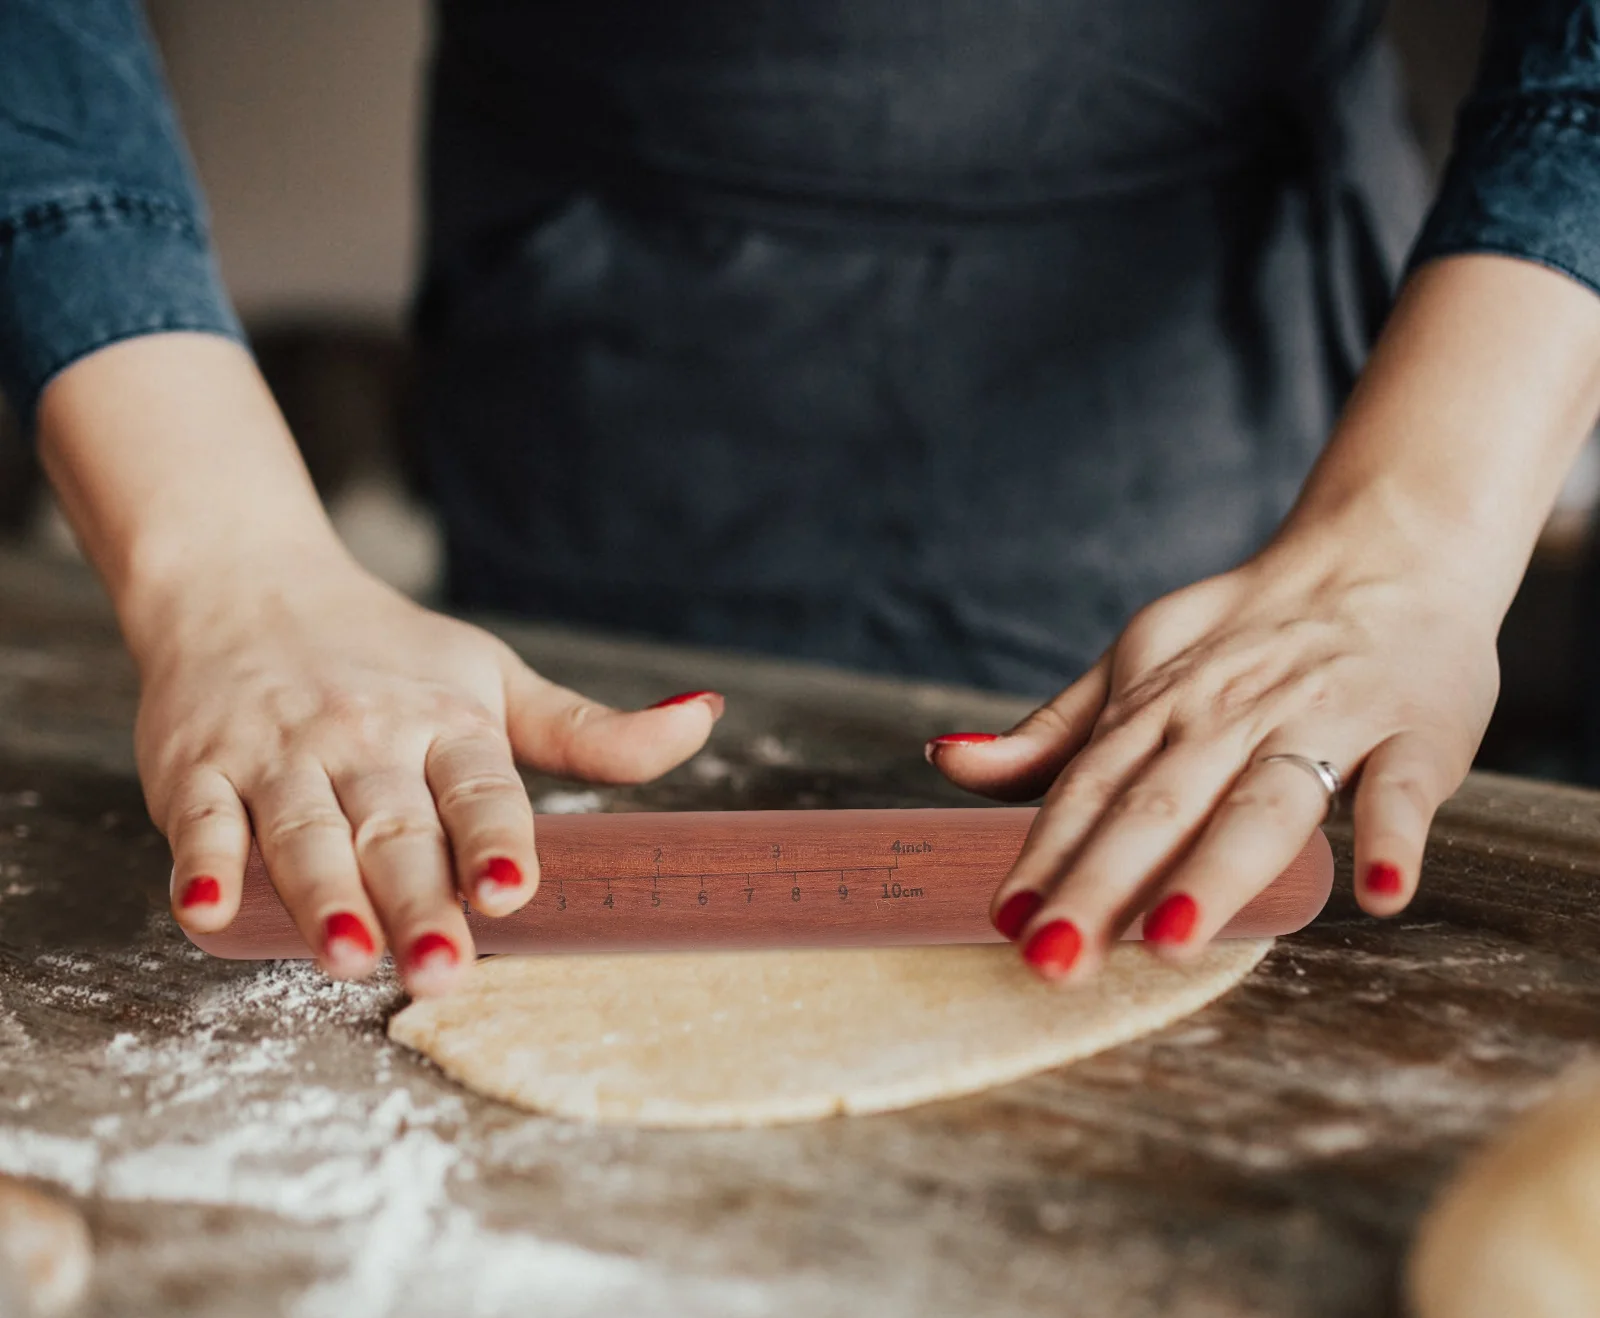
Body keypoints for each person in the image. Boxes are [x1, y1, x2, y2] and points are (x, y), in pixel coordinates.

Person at [4, 1, 1599, 998]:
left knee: (1186, 853)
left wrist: (1419, 525)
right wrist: (221, 554)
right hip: (608, 347)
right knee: (527, 875)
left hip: (1194, 386)